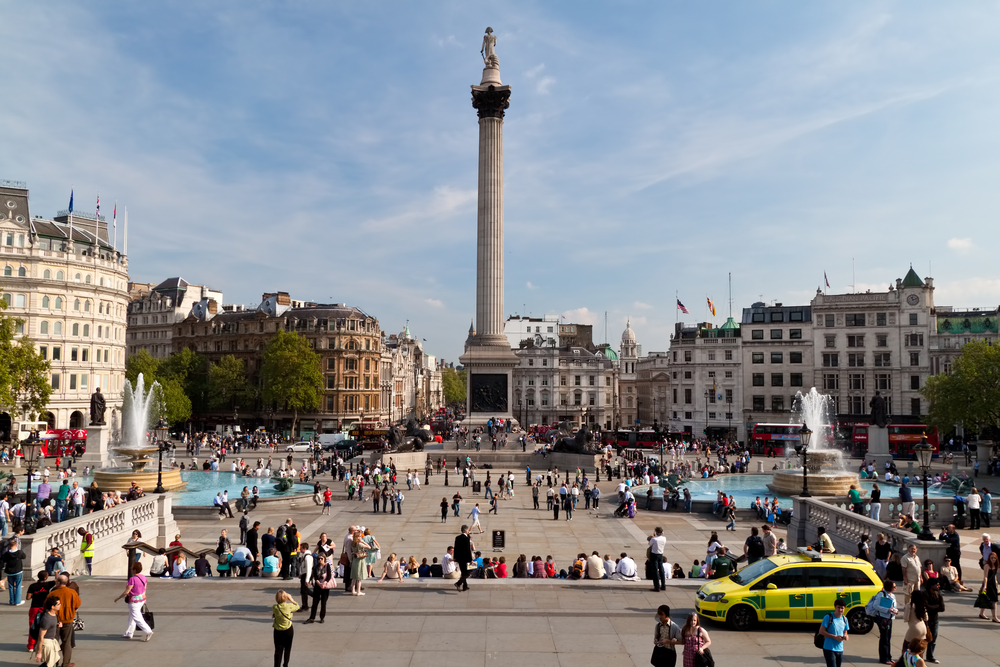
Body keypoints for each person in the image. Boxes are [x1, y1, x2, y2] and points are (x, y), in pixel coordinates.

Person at [114, 561, 154, 640]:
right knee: (131, 617)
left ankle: (148, 631)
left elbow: (127, 591)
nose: (131, 569)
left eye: (132, 568)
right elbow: (144, 588)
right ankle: (129, 633)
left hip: (133, 601)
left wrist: (118, 598)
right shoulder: (143, 577)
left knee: (137, 618)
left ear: (135, 570)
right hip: (141, 599)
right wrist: (145, 598)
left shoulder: (132, 579)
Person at [47, 573, 80, 667]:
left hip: (54, 620)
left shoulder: (53, 593)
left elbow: (46, 605)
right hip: (68, 620)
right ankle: (66, 663)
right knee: (67, 643)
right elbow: (77, 604)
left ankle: (54, 662)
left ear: (58, 582)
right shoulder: (72, 592)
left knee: (54, 642)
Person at [865, 579, 898, 666]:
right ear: (889, 587)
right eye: (894, 586)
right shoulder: (881, 594)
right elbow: (876, 606)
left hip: (890, 618)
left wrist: (895, 610)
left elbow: (894, 606)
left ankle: (888, 657)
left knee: (888, 638)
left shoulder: (893, 595)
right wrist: (887, 609)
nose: (896, 588)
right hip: (883, 619)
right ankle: (884, 658)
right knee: (884, 638)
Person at [25, 571, 54, 651]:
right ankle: (42, 643)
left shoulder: (32, 586)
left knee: (32, 626)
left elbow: (28, 597)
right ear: (45, 577)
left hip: (34, 607)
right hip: (44, 608)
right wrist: (56, 573)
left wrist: (34, 594)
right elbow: (57, 580)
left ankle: (31, 645)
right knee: (44, 626)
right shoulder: (48, 584)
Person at [818, 598, 850, 667]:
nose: (840, 610)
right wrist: (835, 637)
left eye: (842, 608)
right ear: (835, 607)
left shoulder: (845, 619)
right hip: (829, 648)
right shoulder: (828, 617)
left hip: (840, 649)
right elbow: (821, 631)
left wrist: (845, 636)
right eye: (838, 607)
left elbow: (845, 631)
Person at [272, 590, 299, 667]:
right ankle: (285, 664)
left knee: (278, 650)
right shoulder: (289, 606)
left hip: (277, 630)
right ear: (285, 598)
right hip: (288, 630)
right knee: (287, 649)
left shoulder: (275, 607)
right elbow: (297, 606)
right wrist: (291, 599)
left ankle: (276, 665)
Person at [34, 595, 62, 667]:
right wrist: (39, 652)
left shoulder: (54, 615)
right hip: (47, 643)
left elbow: (51, 625)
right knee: (50, 664)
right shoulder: (47, 619)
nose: (60, 605)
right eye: (58, 604)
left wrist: (57, 624)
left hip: (52, 641)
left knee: (52, 661)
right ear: (52, 607)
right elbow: (41, 637)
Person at [305, 553, 334, 623]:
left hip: (325, 587)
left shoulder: (327, 566)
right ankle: (312, 618)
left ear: (324, 559)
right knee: (314, 603)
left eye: (321, 558)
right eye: (318, 559)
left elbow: (329, 576)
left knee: (323, 603)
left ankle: (322, 617)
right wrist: (318, 583)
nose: (320, 560)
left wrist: (324, 583)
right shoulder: (316, 566)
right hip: (317, 587)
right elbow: (315, 576)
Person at [922, 578, 943, 664]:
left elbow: (942, 608)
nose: (939, 586)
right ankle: (919, 655)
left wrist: (931, 607)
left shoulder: (938, 594)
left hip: (935, 619)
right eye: (937, 584)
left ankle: (930, 656)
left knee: (933, 639)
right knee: (922, 639)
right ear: (932, 585)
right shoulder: (924, 594)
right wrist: (936, 607)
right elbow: (925, 606)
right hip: (925, 620)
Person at [2, 536, 26, 605]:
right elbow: (24, 556)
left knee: (11, 586)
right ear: (16, 545)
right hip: (18, 571)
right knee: (18, 586)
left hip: (10, 572)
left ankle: (12, 601)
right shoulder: (19, 552)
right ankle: (18, 601)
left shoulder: (6, 554)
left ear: (9, 546)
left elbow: (4, 559)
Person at [350, 531, 375, 595]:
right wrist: (363, 541)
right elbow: (369, 547)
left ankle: (353, 591)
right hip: (360, 560)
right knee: (359, 577)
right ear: (357, 537)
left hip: (355, 560)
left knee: (354, 577)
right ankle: (358, 591)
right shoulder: (360, 544)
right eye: (360, 536)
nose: (361, 537)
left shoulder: (353, 543)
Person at [979, 551, 1000, 621]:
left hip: (993, 584)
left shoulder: (996, 565)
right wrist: (985, 586)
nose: (993, 559)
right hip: (988, 584)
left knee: (988, 599)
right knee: (992, 600)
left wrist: (997, 586)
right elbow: (985, 577)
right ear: (989, 558)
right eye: (992, 558)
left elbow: (995, 576)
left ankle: (981, 613)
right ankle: (994, 617)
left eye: (994, 558)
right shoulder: (987, 566)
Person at [454, 524, 474, 592]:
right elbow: (468, 550)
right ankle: (458, 583)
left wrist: (455, 558)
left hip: (459, 559)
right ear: (466, 531)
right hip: (466, 559)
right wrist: (471, 559)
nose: (468, 531)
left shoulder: (457, 538)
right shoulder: (466, 539)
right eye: (468, 530)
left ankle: (465, 586)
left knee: (463, 572)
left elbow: (456, 549)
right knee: (468, 573)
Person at [649, 527, 667, 592]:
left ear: (656, 532)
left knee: (655, 571)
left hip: (654, 554)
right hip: (661, 554)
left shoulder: (654, 539)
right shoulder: (664, 538)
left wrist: (653, 536)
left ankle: (657, 586)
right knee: (661, 570)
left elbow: (650, 544)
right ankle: (663, 585)